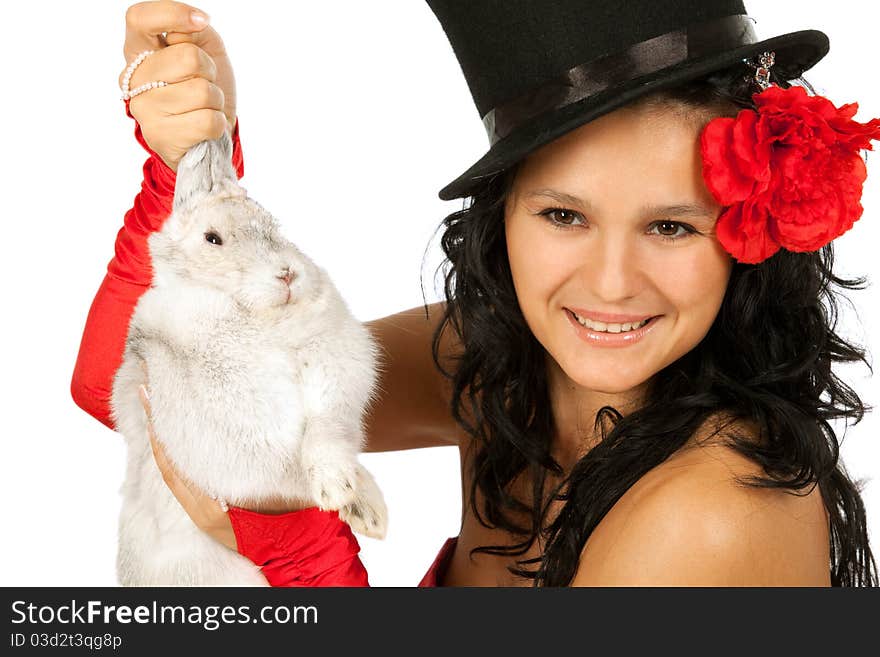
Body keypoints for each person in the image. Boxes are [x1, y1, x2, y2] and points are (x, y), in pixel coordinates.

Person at [71, 0, 880, 586]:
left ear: (748, 233)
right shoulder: (489, 360)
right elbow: (126, 382)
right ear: (502, 225)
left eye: (670, 227)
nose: (609, 285)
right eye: (564, 214)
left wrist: (297, 548)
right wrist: (194, 172)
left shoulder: (711, 515)